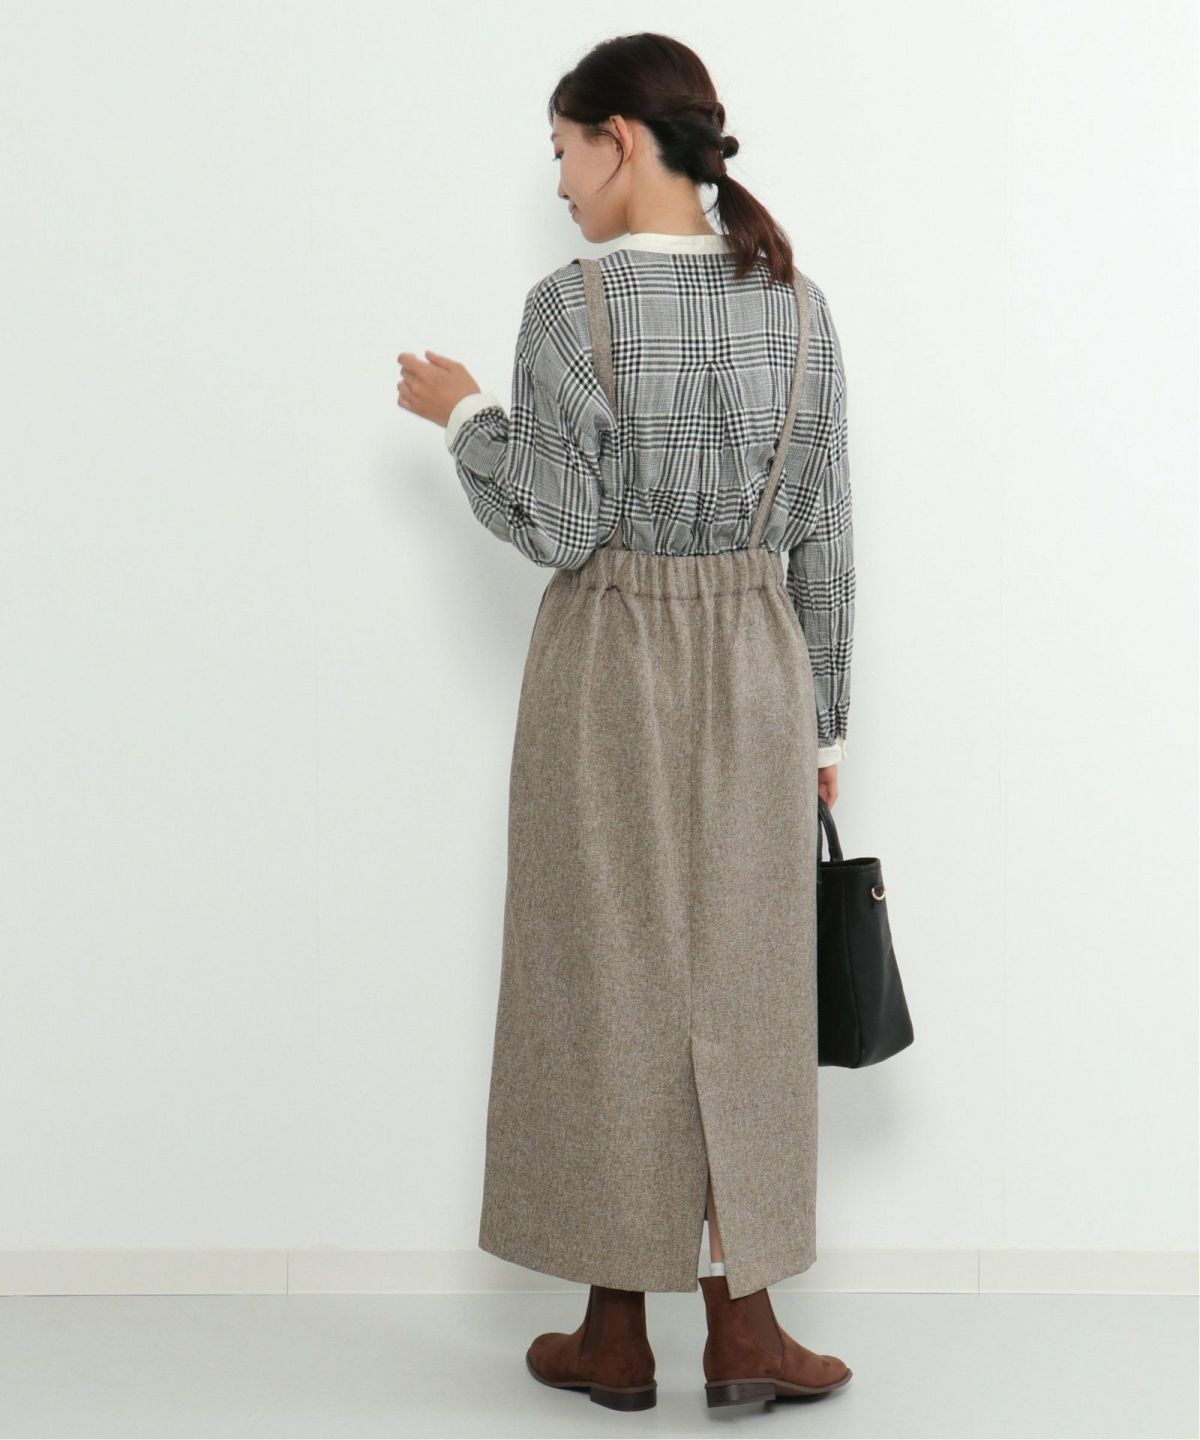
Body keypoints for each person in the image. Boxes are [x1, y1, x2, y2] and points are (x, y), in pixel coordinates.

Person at [396, 31, 854, 1414]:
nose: (556, 184)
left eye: (561, 151)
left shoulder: (568, 308)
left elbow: (560, 523)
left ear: (620, 140)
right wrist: (826, 726)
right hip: (759, 661)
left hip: (609, 658)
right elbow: (827, 531)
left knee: (604, 978)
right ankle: (737, 1327)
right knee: (746, 987)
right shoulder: (799, 305)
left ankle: (617, 1333)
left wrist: (465, 416)